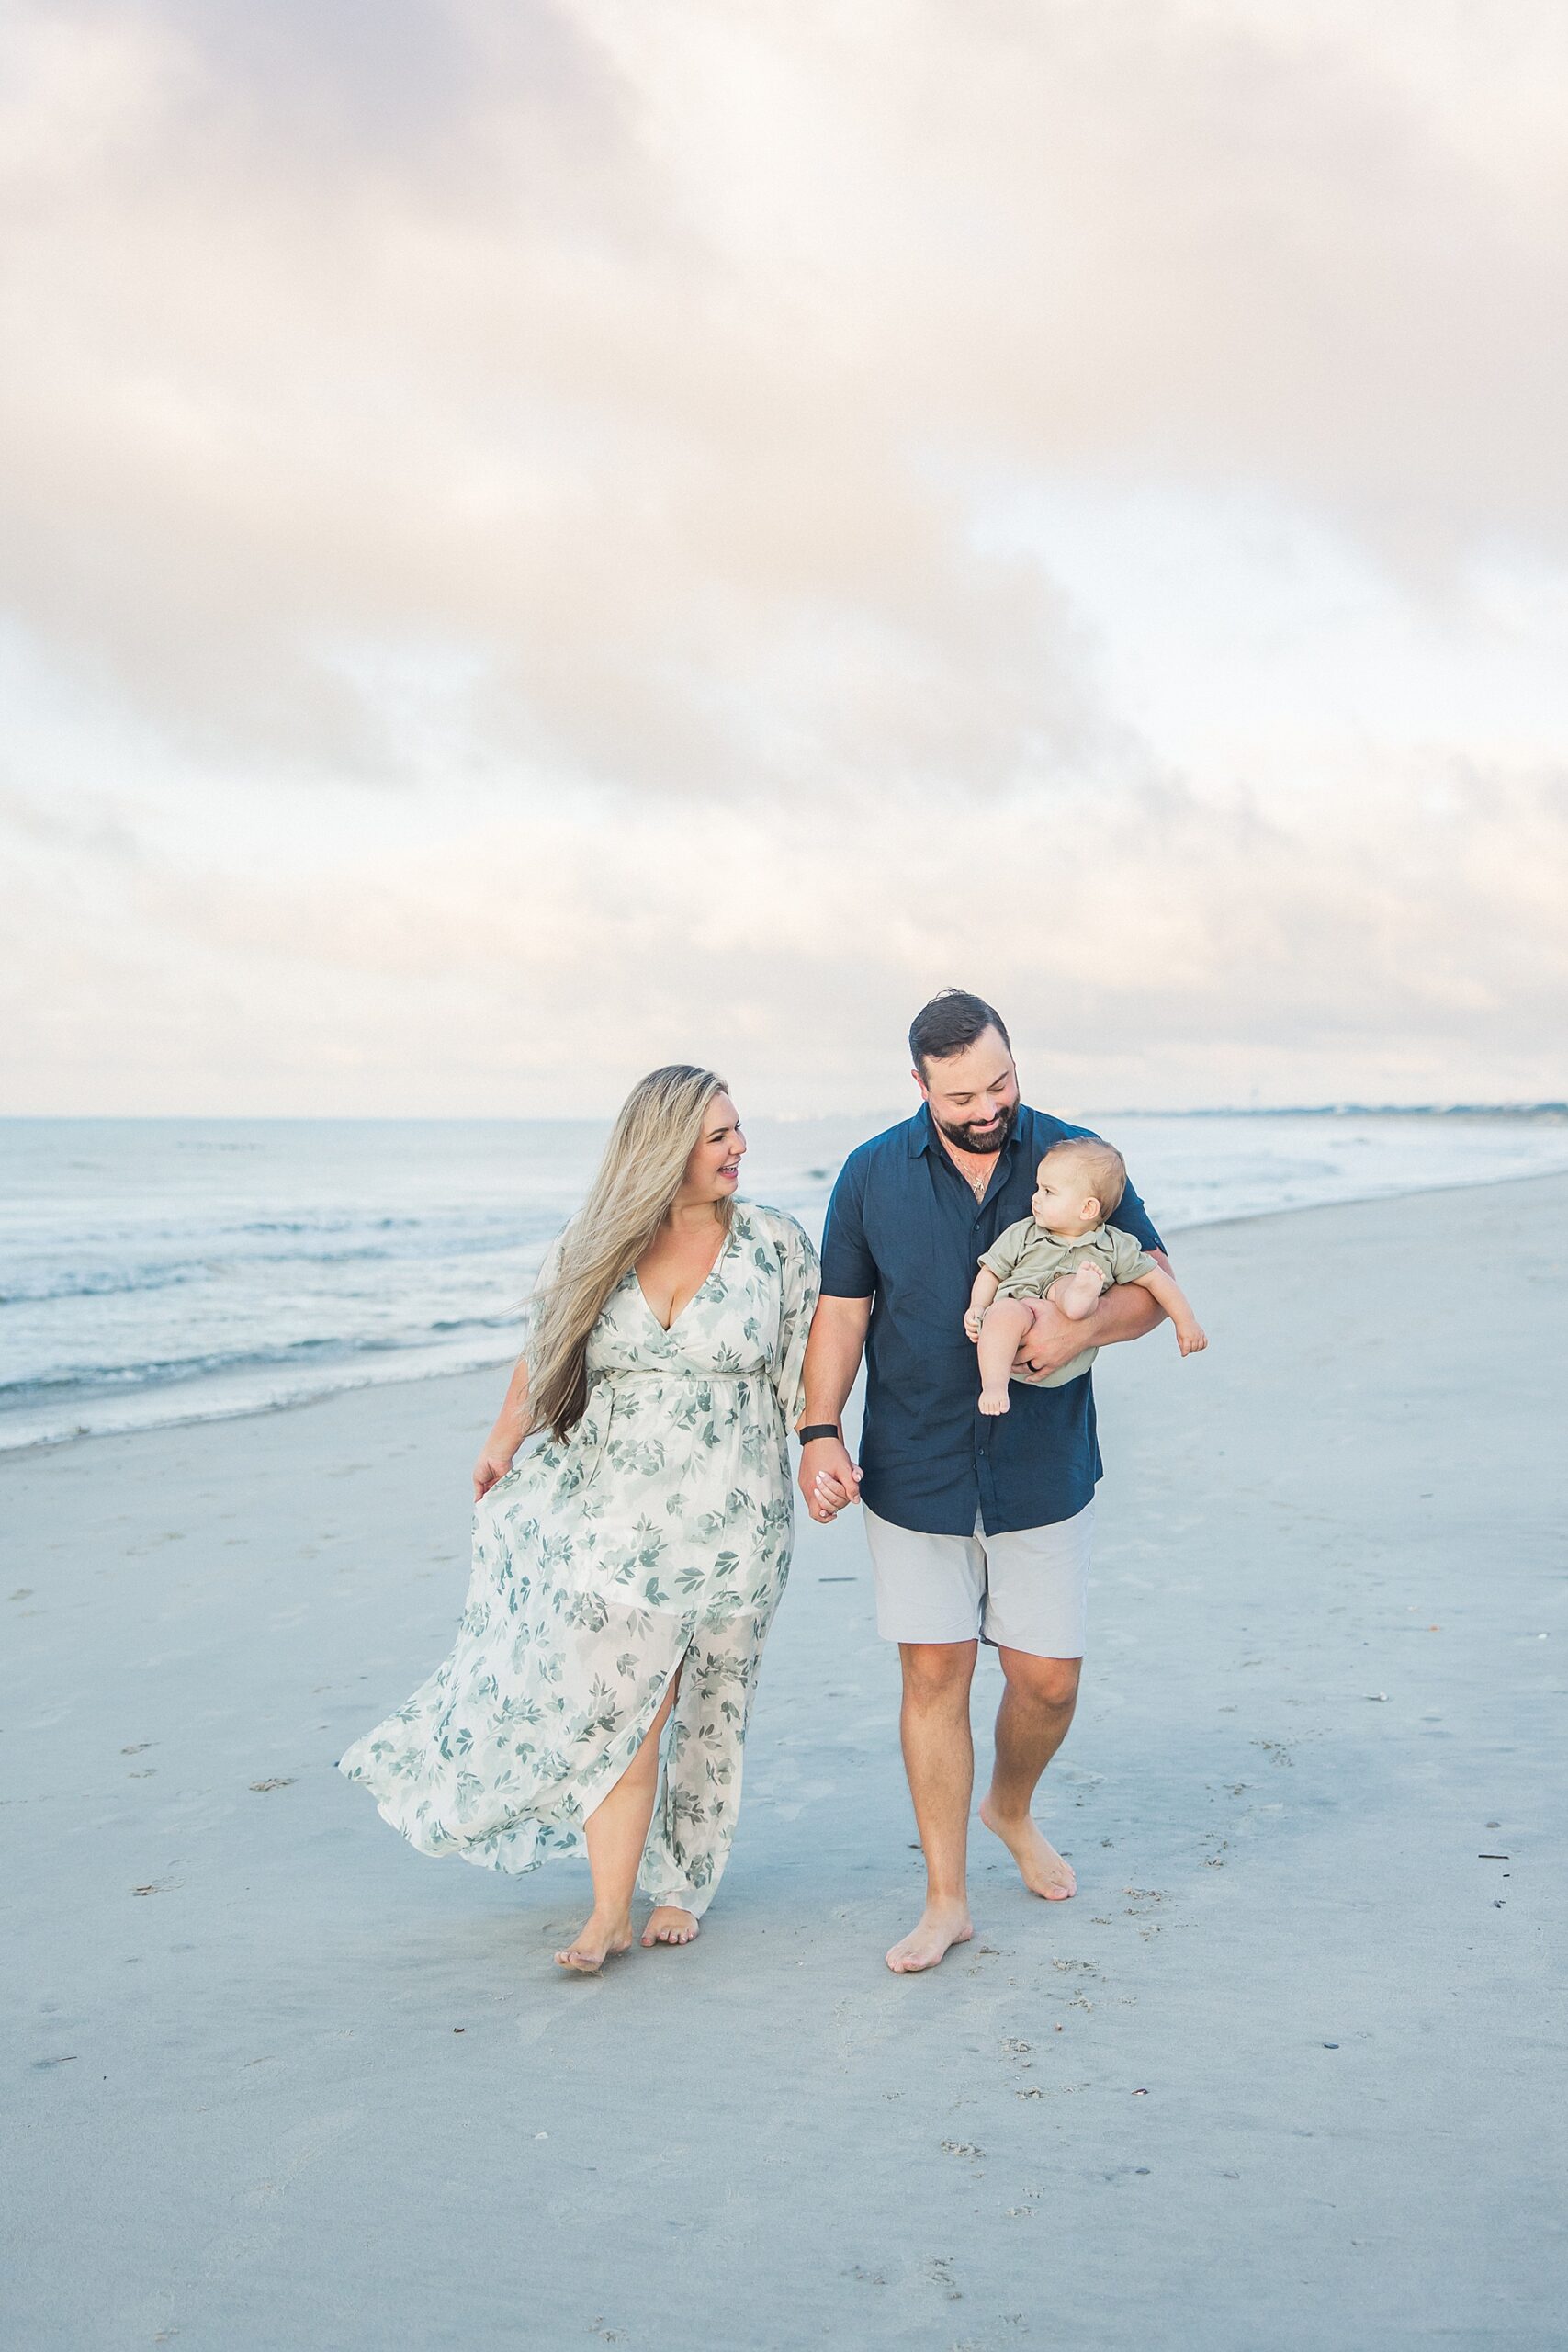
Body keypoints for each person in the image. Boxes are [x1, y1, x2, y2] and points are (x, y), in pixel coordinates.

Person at [339, 1067, 820, 1973]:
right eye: (718, 1135)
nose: (739, 1148)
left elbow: (804, 1366)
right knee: (625, 1708)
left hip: (738, 1514)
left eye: (737, 1130)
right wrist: (501, 1435)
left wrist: (824, 1446)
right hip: (615, 1512)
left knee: (711, 1706)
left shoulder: (777, 1244)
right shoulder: (592, 1243)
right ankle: (607, 1911)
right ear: (666, 1145)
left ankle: (682, 1882)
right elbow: (545, 1346)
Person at [797, 990, 1177, 1973]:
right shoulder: (870, 1174)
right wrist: (818, 1430)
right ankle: (946, 1898)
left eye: (1001, 1081)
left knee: (1047, 1681)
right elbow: (842, 1315)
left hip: (1042, 1462)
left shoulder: (1079, 1160)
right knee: (935, 1673)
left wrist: (1080, 1328)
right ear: (920, 1085)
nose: (987, 1106)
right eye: (961, 1093)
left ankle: (1009, 1804)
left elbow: (1153, 1279)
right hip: (914, 1462)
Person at [967, 1134, 1207, 1412]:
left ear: (1088, 1208)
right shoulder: (1025, 1233)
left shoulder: (1115, 1246)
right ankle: (994, 1386)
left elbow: (1158, 1280)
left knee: (1067, 1285)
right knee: (1004, 1312)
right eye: (1038, 1188)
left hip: (1070, 1350)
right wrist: (977, 1307)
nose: (1035, 1198)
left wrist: (1186, 1321)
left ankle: (1078, 1298)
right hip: (1012, 1342)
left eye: (1048, 1191)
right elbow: (991, 1271)